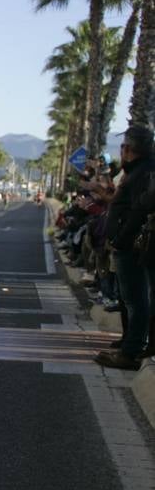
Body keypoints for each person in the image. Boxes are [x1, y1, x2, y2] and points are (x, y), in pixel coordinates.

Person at [95, 126, 155, 370]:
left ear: (129, 149)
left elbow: (139, 211)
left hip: (131, 246)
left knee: (135, 300)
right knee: (129, 298)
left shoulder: (144, 172)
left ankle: (131, 351)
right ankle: (129, 343)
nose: (121, 151)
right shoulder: (138, 170)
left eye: (122, 147)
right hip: (127, 244)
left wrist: (121, 238)